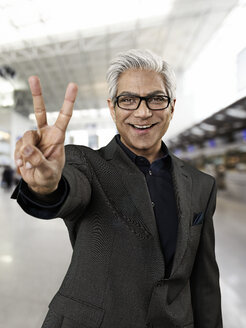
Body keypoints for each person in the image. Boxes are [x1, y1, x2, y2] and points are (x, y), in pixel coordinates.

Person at [11, 49, 222, 328]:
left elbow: (204, 282)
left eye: (156, 99)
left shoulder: (200, 185)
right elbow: (69, 190)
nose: (143, 111)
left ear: (171, 106)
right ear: (112, 108)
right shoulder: (87, 164)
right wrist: (47, 186)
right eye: (128, 100)